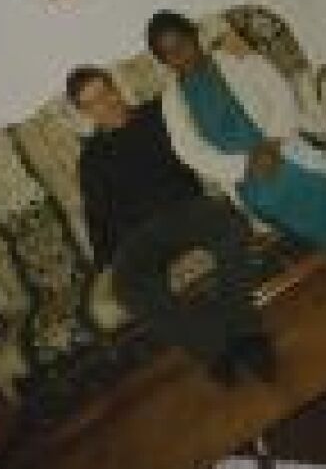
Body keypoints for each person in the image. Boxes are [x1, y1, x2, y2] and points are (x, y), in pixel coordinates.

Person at [68, 65, 273, 385]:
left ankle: (246, 334)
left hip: (187, 211)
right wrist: (105, 263)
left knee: (231, 228)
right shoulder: (90, 159)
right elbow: (98, 217)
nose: (104, 105)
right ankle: (215, 347)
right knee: (128, 286)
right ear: (84, 113)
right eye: (92, 103)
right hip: (140, 237)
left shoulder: (159, 114)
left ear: (116, 87)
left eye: (105, 93)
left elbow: (201, 126)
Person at [148, 11, 326, 271]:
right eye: (169, 54)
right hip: (245, 174)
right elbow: (190, 152)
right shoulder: (172, 102)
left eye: (182, 44)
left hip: (282, 139)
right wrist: (245, 165)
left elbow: (281, 94)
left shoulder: (237, 57)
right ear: (163, 61)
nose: (180, 56)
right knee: (283, 188)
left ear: (194, 35)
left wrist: (270, 143)